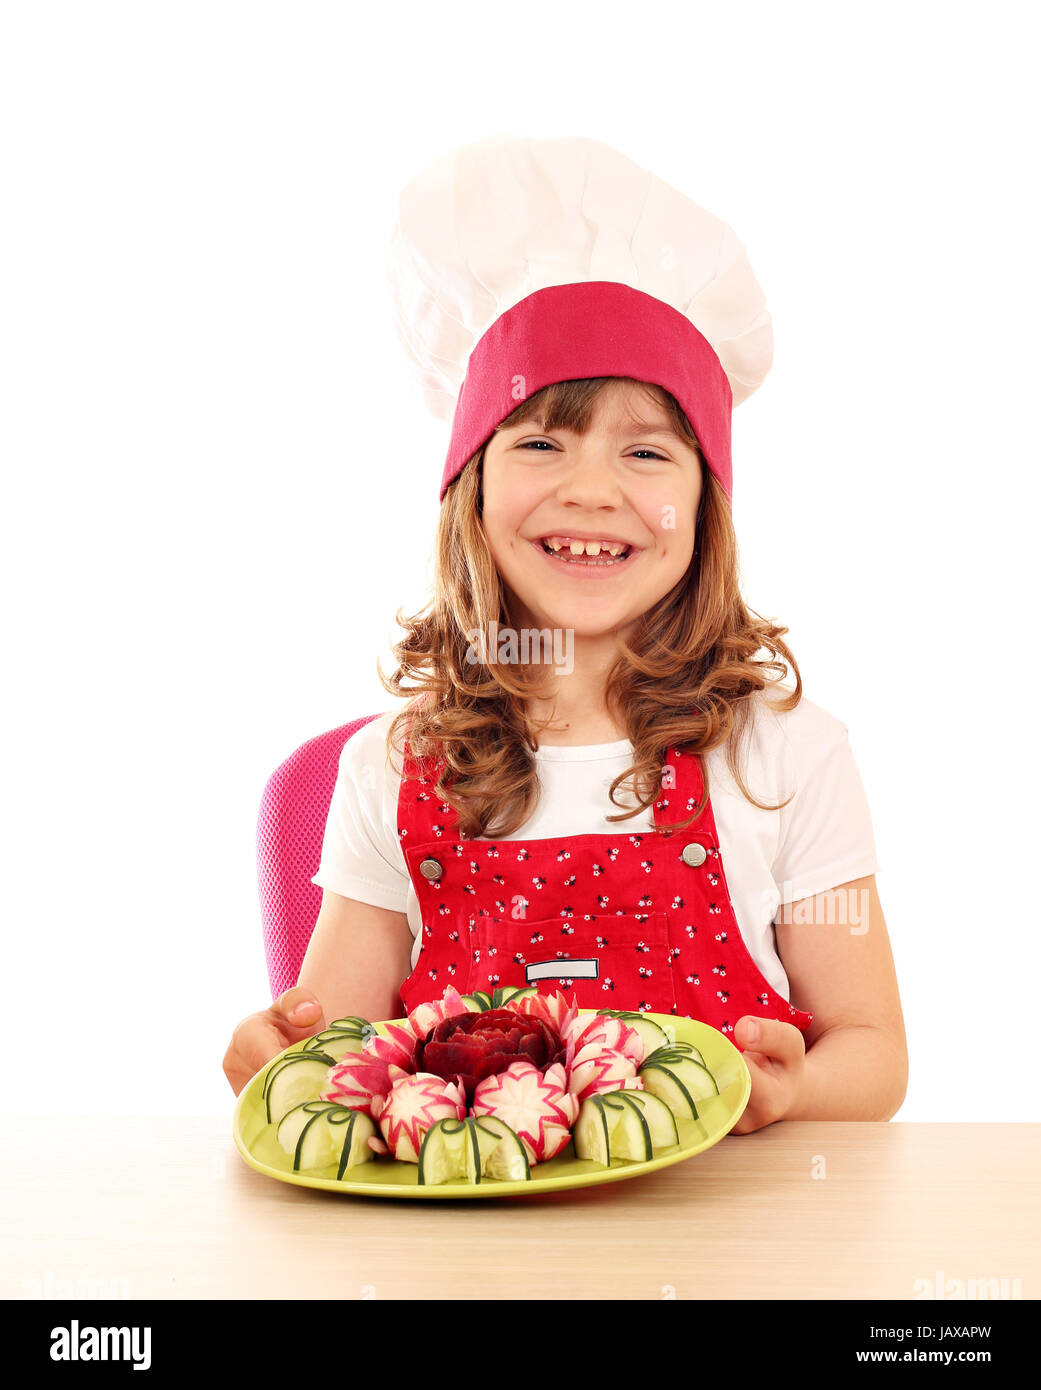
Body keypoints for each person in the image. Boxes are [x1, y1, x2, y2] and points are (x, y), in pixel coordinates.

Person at [224, 137, 908, 1132]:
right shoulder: (394, 765)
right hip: (466, 1262)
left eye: (645, 450)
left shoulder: (788, 753)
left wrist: (793, 1089)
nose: (592, 490)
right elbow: (333, 1047)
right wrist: (279, 1054)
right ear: (473, 487)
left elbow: (875, 1051)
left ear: (705, 504)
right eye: (541, 440)